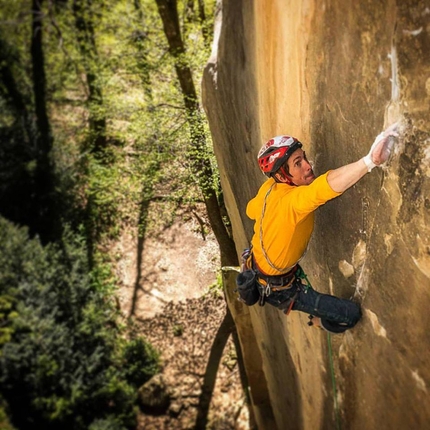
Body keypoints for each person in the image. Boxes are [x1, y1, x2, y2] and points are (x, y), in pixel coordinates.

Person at [240, 125, 398, 333]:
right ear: (281, 176)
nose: (308, 165)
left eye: (303, 157)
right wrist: (370, 161)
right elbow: (321, 189)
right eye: (298, 164)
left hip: (257, 264)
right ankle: (321, 322)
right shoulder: (293, 202)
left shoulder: (268, 189)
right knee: (350, 315)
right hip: (279, 289)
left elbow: (251, 210)